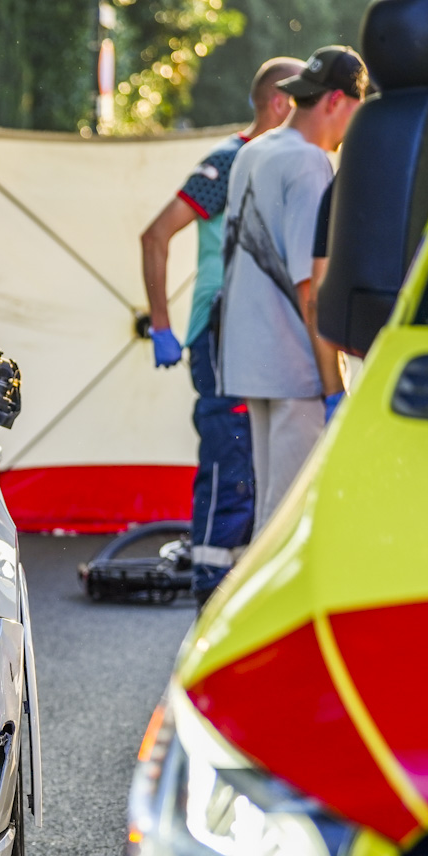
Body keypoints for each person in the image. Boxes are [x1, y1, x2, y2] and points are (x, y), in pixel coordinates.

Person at [138, 57, 302, 604]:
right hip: (220, 328)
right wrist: (162, 326)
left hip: (258, 330)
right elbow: (156, 235)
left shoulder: (287, 162)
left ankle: (243, 584)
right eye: (302, 100)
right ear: (279, 103)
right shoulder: (230, 160)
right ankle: (212, 589)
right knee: (230, 455)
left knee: (257, 460)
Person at [221, 45, 366, 525]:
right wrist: (334, 387)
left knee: (269, 506)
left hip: (250, 360)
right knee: (289, 519)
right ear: (337, 101)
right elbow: (312, 288)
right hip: (295, 369)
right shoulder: (309, 163)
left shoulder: (253, 151)